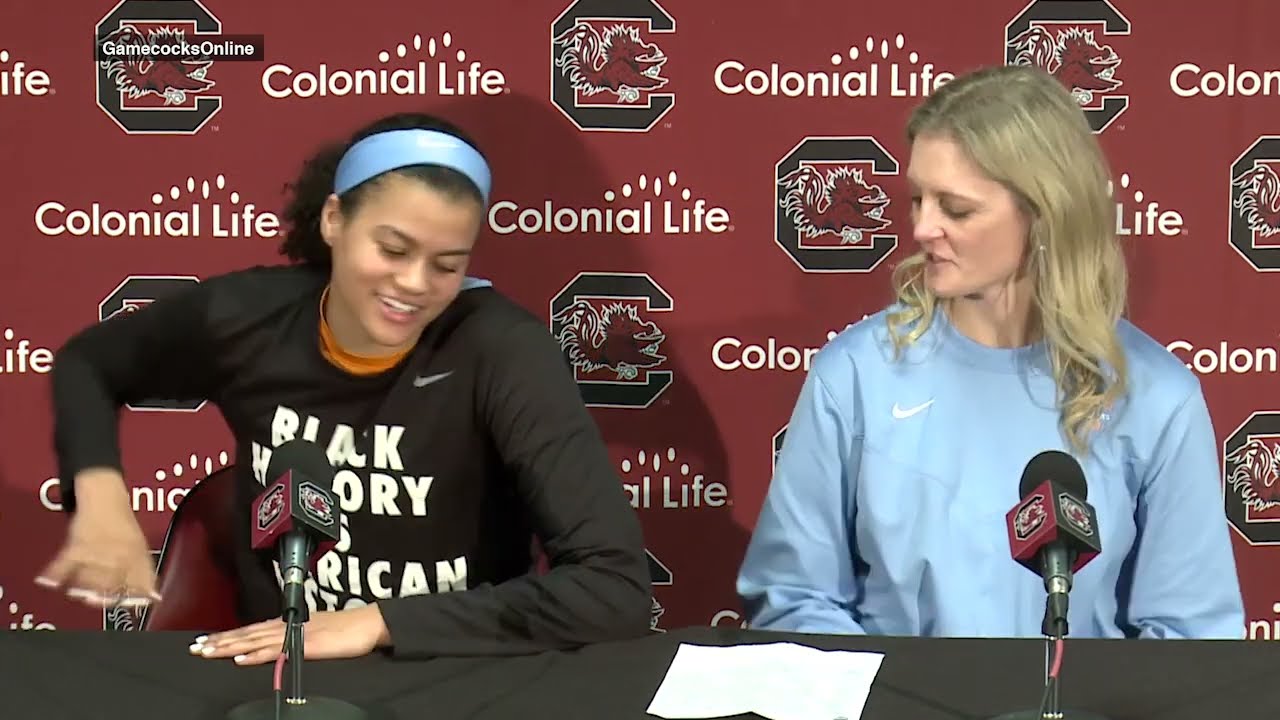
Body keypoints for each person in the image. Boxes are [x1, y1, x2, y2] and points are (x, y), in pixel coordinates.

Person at [37, 111, 653, 663]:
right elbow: (88, 363)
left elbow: (614, 588)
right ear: (334, 220)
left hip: (451, 667)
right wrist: (99, 494)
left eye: (447, 265)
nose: (414, 284)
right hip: (274, 664)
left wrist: (379, 623)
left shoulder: (504, 351)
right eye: (392, 249)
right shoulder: (249, 317)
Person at [736, 65, 1245, 640]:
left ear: (1045, 212)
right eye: (917, 200)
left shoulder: (1155, 396)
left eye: (955, 208)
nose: (923, 227)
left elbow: (1190, 635)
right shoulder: (855, 376)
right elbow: (794, 595)